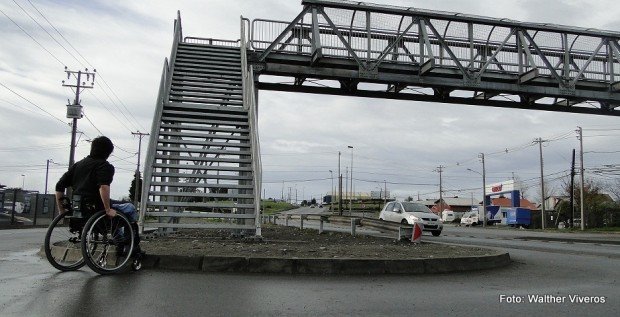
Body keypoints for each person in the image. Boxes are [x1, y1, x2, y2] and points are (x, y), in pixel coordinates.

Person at [55, 136, 142, 256]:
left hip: (79, 211)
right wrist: (107, 209)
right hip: (97, 209)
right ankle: (130, 245)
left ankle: (120, 241)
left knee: (114, 212)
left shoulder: (78, 165)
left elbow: (59, 186)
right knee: (130, 208)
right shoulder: (104, 166)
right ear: (108, 153)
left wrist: (61, 210)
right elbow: (103, 187)